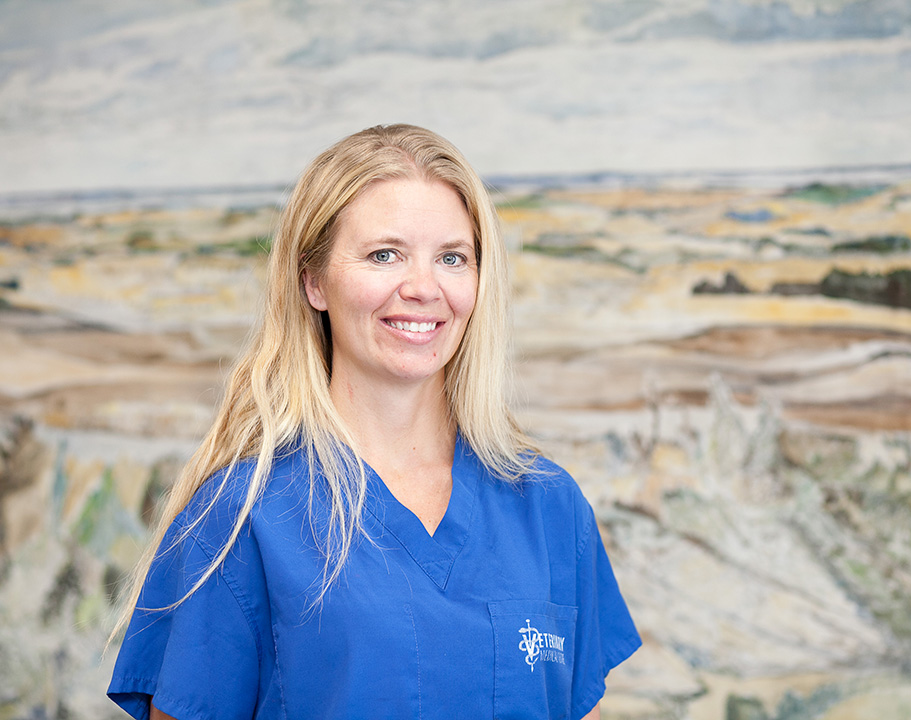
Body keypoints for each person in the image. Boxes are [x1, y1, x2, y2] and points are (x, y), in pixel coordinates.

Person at [107, 124, 641, 720]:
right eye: (384, 254)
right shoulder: (241, 518)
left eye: (452, 258)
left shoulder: (550, 509)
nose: (422, 287)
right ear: (314, 282)